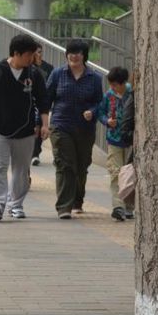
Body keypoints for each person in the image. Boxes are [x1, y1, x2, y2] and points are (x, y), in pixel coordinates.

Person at [0, 34, 49, 221]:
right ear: (16, 53)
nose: (31, 59)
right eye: (28, 55)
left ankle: (16, 204)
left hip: (26, 131)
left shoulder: (34, 74)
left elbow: (43, 102)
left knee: (21, 169)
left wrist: (45, 125)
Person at [47, 39, 104, 219]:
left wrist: (92, 111)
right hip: (61, 125)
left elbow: (100, 103)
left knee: (81, 165)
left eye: (78, 52)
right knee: (65, 164)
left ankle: (77, 200)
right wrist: (40, 121)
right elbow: (47, 99)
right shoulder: (57, 74)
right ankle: (64, 206)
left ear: (84, 56)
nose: (74, 56)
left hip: (84, 128)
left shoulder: (94, 78)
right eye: (71, 52)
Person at [83, 66, 134, 221]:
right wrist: (106, 121)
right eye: (111, 84)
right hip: (114, 139)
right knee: (115, 172)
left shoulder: (133, 93)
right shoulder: (109, 95)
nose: (112, 88)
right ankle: (118, 207)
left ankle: (129, 207)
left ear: (123, 83)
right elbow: (100, 112)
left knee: (131, 173)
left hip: (132, 140)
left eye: (115, 85)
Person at [31, 46, 54, 166]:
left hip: (43, 101)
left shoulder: (48, 68)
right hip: (31, 101)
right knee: (34, 127)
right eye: (35, 52)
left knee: (40, 126)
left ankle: (35, 152)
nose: (37, 54)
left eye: (39, 52)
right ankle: (33, 153)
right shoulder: (28, 67)